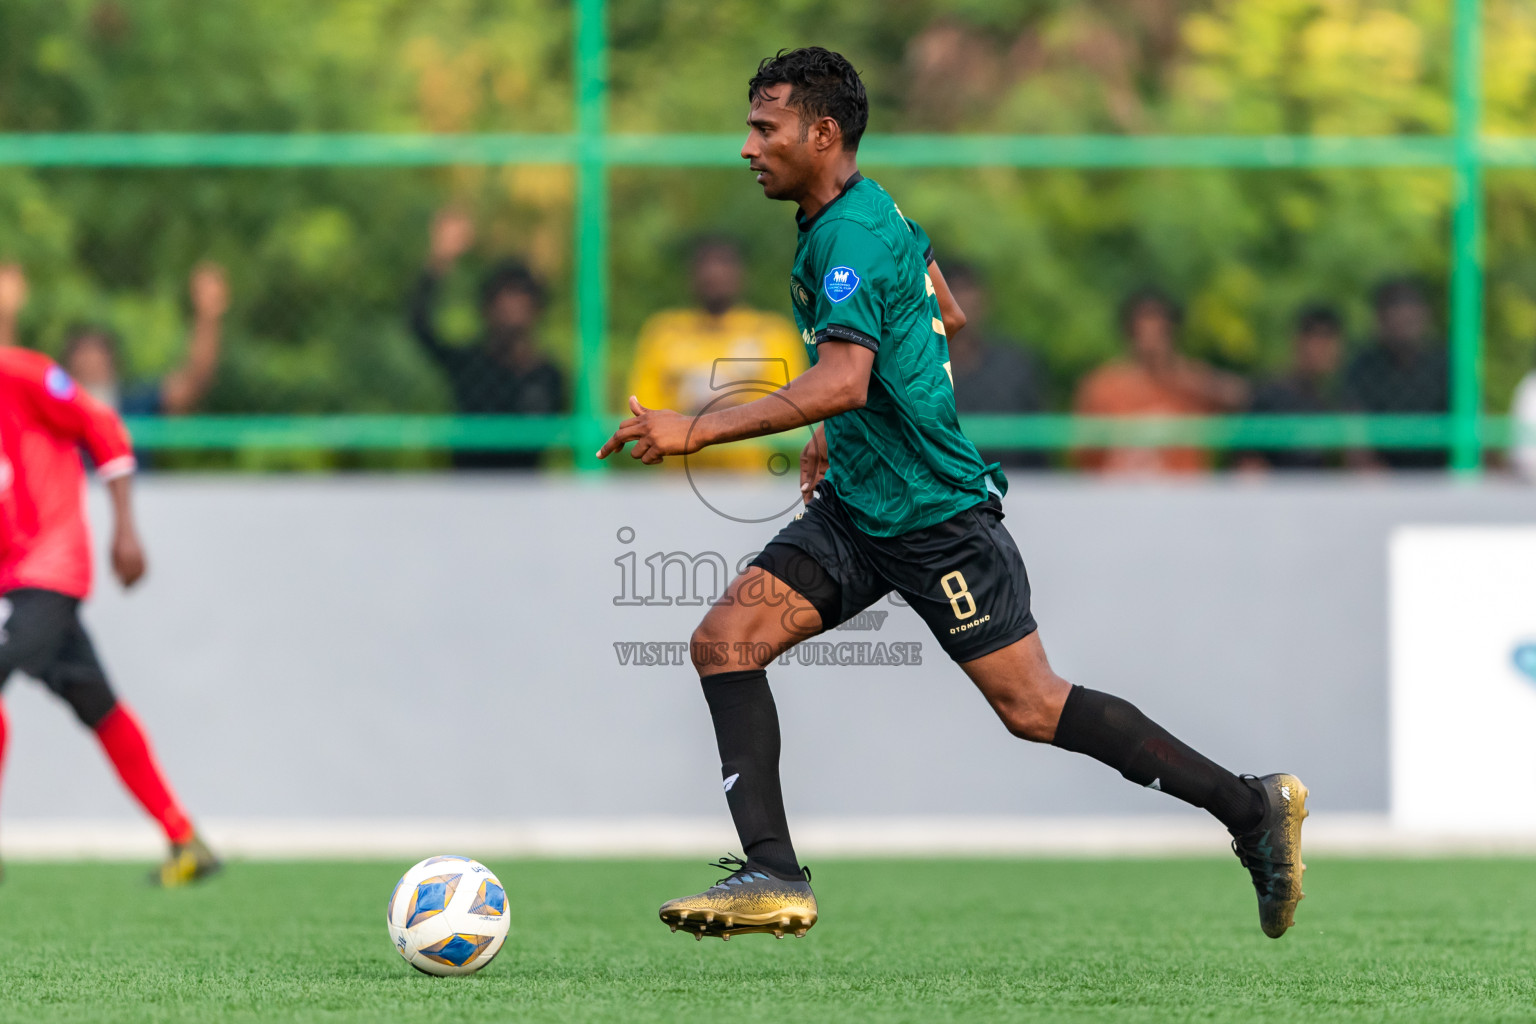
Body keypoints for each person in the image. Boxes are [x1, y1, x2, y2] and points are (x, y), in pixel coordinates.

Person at [598, 47, 1307, 943]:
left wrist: (696, 427)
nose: (747, 147)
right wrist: (834, 425)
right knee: (726, 642)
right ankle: (773, 873)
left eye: (764, 128)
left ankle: (1251, 809)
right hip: (861, 511)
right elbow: (940, 317)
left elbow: (849, 376)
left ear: (823, 135)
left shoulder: (847, 235)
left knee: (1035, 708)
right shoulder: (863, 210)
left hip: (937, 518)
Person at [0, 346, 219, 886]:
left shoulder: (20, 374)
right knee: (97, 703)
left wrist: (125, 527)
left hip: (49, 569)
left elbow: (101, 425)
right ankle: (184, 837)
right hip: (15, 581)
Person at [626, 238, 806, 471]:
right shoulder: (663, 332)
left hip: (750, 481)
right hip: (677, 483)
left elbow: (794, 413)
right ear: (690, 275)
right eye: (705, 265)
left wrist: (720, 414)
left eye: (724, 264)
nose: (714, 274)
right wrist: (692, 412)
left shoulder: (772, 333)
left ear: (742, 273)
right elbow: (639, 408)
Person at [408, 209, 568, 470]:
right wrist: (439, 260)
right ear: (487, 308)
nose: (511, 309)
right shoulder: (469, 364)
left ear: (536, 309)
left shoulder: (548, 375)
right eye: (503, 299)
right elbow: (419, 326)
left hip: (527, 496)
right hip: (469, 493)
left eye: (520, 299)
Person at [1071, 290, 1248, 474]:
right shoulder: (1103, 385)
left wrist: (1179, 375)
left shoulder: (1192, 381)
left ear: (1172, 331)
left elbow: (1244, 399)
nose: (1151, 337)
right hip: (1122, 492)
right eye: (1143, 328)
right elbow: (1083, 454)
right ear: (1129, 332)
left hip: (1183, 492)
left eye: (1159, 329)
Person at [49, 264, 227, 416]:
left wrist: (207, 317)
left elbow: (194, 382)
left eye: (98, 354)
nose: (91, 362)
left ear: (113, 365)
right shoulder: (52, 412)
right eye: (83, 354)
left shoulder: (135, 405)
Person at [942, 262, 1047, 468]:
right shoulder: (914, 371)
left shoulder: (1015, 367)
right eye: (953, 291)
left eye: (968, 291)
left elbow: (1037, 445)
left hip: (1015, 487)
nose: (962, 300)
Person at [1341, 278, 1449, 470]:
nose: (1403, 322)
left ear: (1424, 315)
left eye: (1409, 313)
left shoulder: (1445, 363)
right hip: (1382, 484)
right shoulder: (1363, 367)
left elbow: (1476, 424)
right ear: (1380, 319)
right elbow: (1353, 431)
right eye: (1395, 310)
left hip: (1442, 477)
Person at [1238, 305, 1346, 471]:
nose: (1326, 349)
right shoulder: (1270, 396)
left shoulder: (1333, 399)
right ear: (1298, 341)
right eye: (1319, 339)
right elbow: (1249, 464)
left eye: (1331, 340)